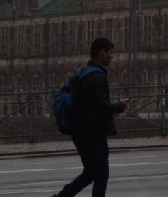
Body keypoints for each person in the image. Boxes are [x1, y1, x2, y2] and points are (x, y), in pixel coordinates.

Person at [54, 37, 129, 197]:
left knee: (91, 172)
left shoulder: (84, 71)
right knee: (100, 174)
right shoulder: (97, 76)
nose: (112, 56)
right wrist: (120, 106)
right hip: (93, 133)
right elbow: (101, 106)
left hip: (80, 131)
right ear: (102, 53)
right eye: (111, 52)